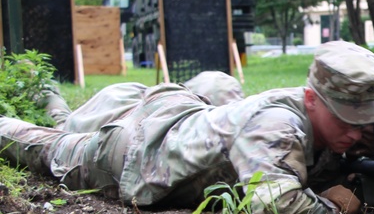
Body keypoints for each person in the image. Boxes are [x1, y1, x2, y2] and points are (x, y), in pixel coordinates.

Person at [0, 42, 374, 214]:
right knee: (42, 146)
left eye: (364, 118)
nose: (357, 130)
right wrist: (333, 206)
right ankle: (30, 101)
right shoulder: (277, 125)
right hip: (134, 154)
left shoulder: (305, 115)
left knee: (62, 128)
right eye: (345, 117)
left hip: (176, 118)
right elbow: (271, 204)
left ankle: (47, 93)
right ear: (312, 99)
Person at [47, 70, 245, 132]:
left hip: (121, 97)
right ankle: (42, 82)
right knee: (59, 121)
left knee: (59, 114)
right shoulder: (162, 121)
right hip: (78, 126)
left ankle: (43, 84)